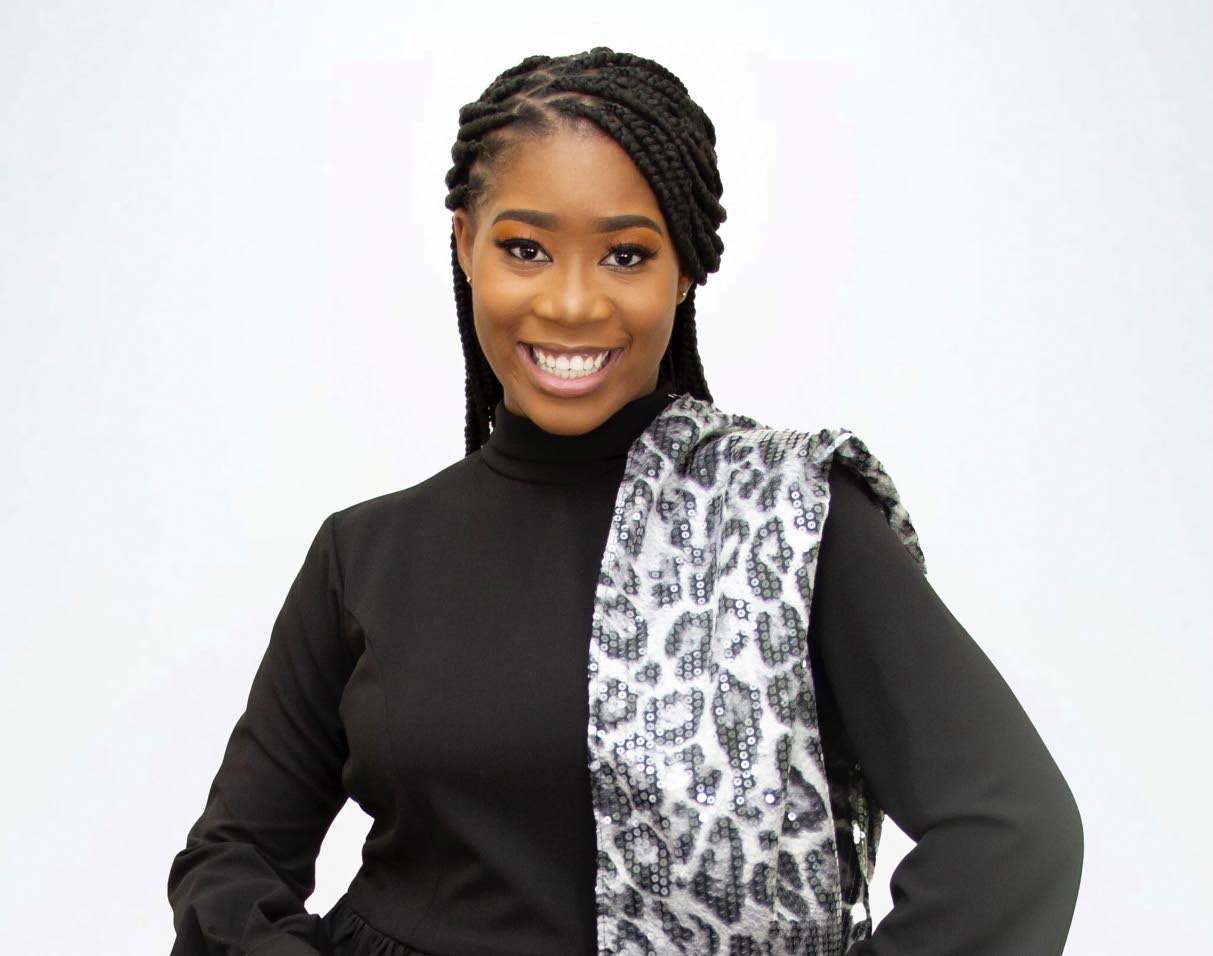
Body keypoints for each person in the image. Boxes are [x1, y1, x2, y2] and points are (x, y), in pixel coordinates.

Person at [166, 47, 1084, 956]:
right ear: (464, 244)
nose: (572, 304)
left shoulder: (791, 523)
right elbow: (233, 860)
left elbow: (1011, 839)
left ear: (683, 269)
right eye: (525, 249)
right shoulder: (365, 552)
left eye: (625, 255)